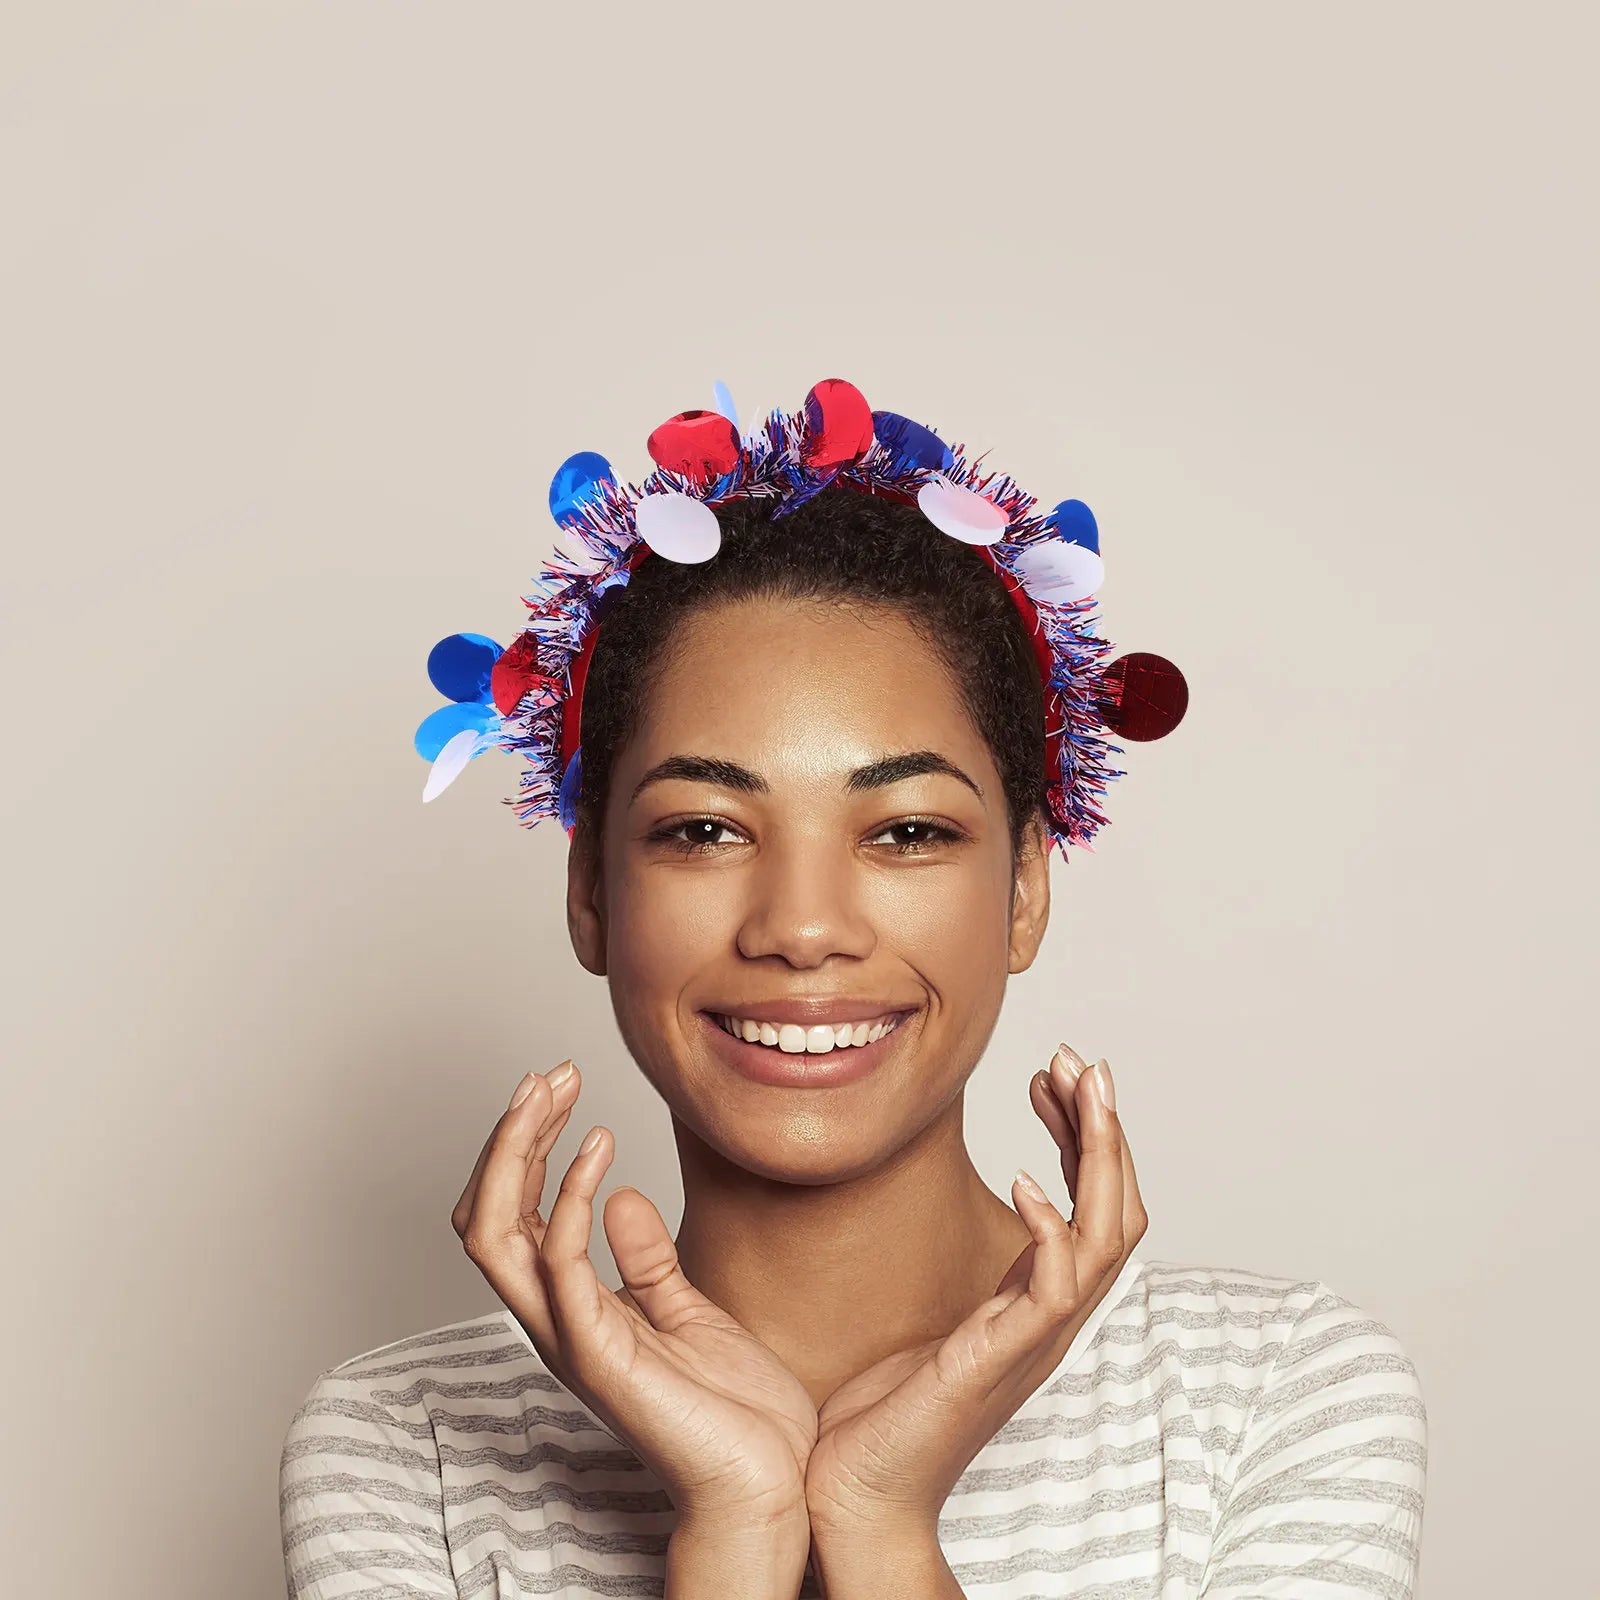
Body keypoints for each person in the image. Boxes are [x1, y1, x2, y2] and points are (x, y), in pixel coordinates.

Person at [279, 381, 1428, 1598]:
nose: (803, 926)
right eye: (707, 828)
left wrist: (876, 1522)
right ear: (592, 895)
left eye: (909, 830)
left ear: (1026, 888)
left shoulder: (1278, 1398)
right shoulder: (408, 1445)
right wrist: (737, 1524)